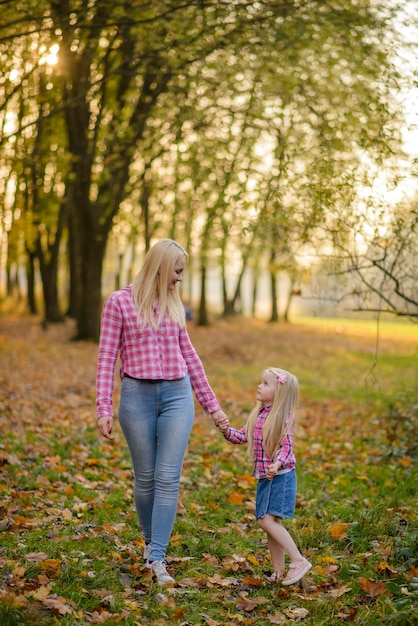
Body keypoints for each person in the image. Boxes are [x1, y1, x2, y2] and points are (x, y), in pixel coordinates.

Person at [96, 239, 228, 585]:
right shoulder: (118, 303)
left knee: (168, 478)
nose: (180, 279)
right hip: (136, 398)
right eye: (178, 271)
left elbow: (191, 356)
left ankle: (157, 557)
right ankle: (149, 541)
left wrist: (213, 408)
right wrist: (103, 407)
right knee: (146, 479)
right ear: (160, 266)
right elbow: (107, 358)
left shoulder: (174, 303)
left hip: (177, 396)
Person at [218, 366, 312, 586]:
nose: (259, 386)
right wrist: (226, 431)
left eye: (266, 383)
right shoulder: (259, 415)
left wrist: (277, 463)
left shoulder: (283, 418)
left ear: (279, 393)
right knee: (272, 524)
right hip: (265, 477)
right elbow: (242, 436)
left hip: (281, 476)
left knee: (265, 520)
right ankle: (279, 573)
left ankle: (298, 561)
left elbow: (287, 448)